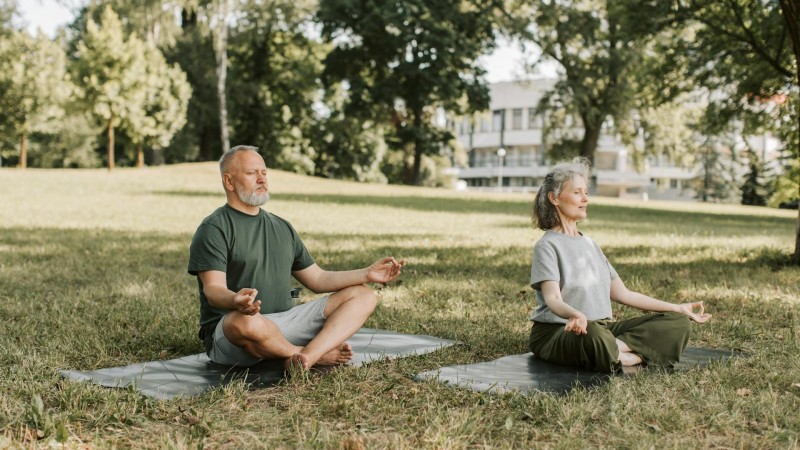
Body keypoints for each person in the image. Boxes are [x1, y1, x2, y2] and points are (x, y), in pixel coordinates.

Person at [188, 145, 405, 370]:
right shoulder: (214, 228)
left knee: (363, 295)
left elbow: (318, 279)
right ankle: (313, 355)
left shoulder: (282, 227)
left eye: (264, 172)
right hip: (235, 333)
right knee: (244, 322)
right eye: (252, 173)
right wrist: (236, 300)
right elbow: (213, 291)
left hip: (284, 323)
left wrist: (366, 273)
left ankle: (305, 357)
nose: (262, 179)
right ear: (229, 182)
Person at [529, 158, 711, 373]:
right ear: (554, 198)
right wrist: (575, 315)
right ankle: (634, 356)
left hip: (600, 330)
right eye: (577, 192)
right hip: (558, 333)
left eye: (586, 192)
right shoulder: (547, 245)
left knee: (678, 323)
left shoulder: (590, 244)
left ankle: (617, 353)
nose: (585, 199)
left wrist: (677, 308)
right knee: (594, 336)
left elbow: (624, 294)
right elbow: (553, 299)